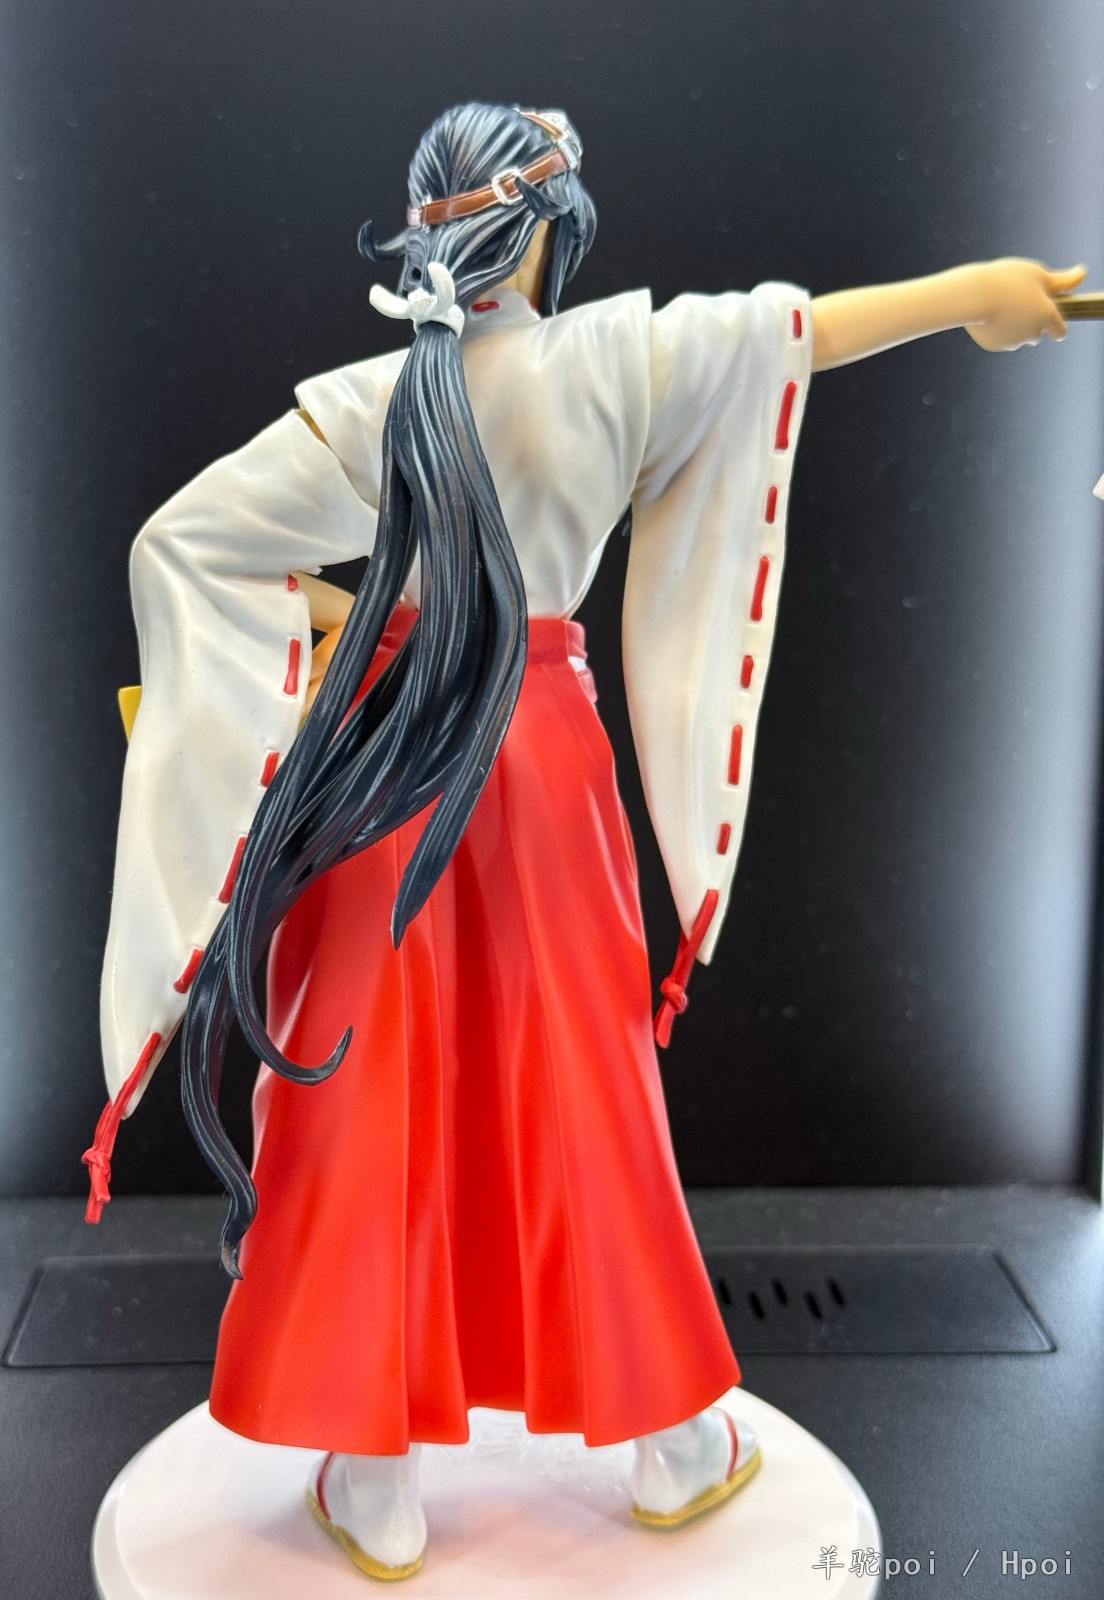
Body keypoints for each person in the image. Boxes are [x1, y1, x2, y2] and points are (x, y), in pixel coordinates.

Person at [84, 101, 1083, 1581]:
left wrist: (351, 628)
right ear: (549, 236)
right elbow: (797, 333)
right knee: (585, 1086)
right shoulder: (616, 360)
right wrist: (973, 293)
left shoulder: (372, 403)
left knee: (365, 1091)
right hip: (542, 761)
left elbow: (179, 544)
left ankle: (374, 1473)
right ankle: (672, 1441)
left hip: (389, 766)